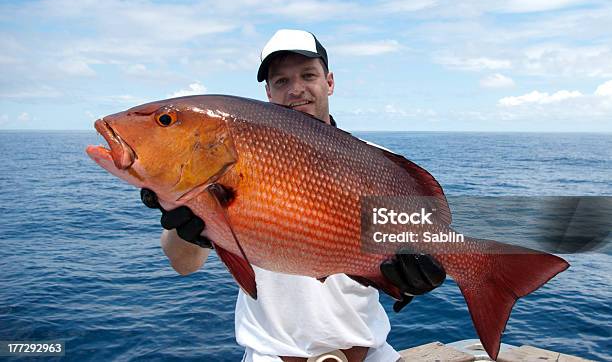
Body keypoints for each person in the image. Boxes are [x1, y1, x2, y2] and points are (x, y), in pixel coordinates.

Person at [141, 29, 446, 362]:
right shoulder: (231, 162)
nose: (296, 89)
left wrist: (421, 274)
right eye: (282, 81)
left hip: (372, 355)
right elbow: (184, 265)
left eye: (308, 75)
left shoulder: (376, 163)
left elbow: (424, 244)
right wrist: (189, 232)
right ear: (269, 93)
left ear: (329, 82)